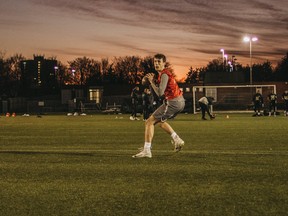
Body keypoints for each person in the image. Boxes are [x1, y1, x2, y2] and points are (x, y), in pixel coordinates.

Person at [132, 53, 185, 158]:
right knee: (160, 122)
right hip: (177, 102)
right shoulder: (163, 74)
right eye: (155, 61)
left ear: (164, 63)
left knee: (149, 122)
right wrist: (152, 83)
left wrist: (151, 82)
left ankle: (147, 150)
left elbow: (160, 93)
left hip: (173, 103)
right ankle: (177, 139)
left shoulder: (164, 74)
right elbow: (159, 94)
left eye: (159, 62)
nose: (156, 63)